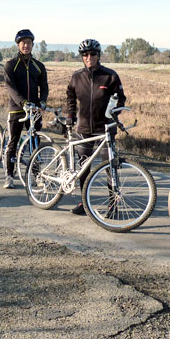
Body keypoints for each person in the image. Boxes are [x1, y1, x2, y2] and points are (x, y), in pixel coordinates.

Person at [65, 39, 126, 215]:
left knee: (109, 167)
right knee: (84, 167)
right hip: (84, 129)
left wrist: (113, 113)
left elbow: (121, 99)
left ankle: (113, 204)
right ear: (82, 57)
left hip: (105, 129)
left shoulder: (110, 76)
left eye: (92, 54)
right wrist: (70, 115)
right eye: (85, 54)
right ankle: (84, 203)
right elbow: (70, 95)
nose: (89, 57)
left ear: (98, 55)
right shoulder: (77, 76)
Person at [2, 29, 49, 189]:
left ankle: (37, 176)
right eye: (23, 43)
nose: (26, 46)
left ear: (32, 45)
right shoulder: (11, 65)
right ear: (18, 45)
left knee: (35, 142)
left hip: (34, 110)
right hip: (17, 109)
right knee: (13, 142)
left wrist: (42, 102)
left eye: (29, 43)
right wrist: (23, 102)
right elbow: (11, 87)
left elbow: (44, 87)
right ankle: (9, 176)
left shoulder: (39, 66)